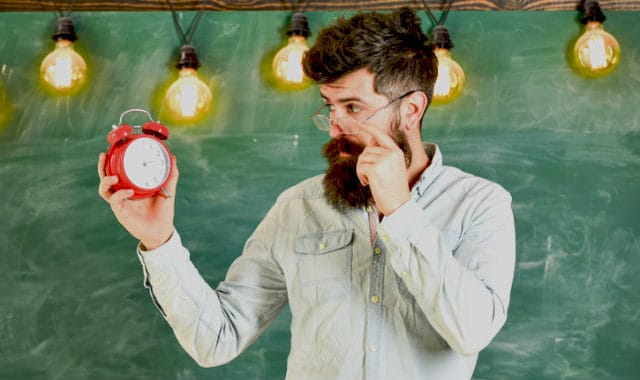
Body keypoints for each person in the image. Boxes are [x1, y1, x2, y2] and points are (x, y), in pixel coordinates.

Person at [98, 8, 515, 380]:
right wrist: (159, 242)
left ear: (411, 109)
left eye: (352, 108)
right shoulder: (297, 207)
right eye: (329, 107)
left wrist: (400, 212)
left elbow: (472, 331)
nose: (335, 126)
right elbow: (217, 340)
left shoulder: (481, 205)